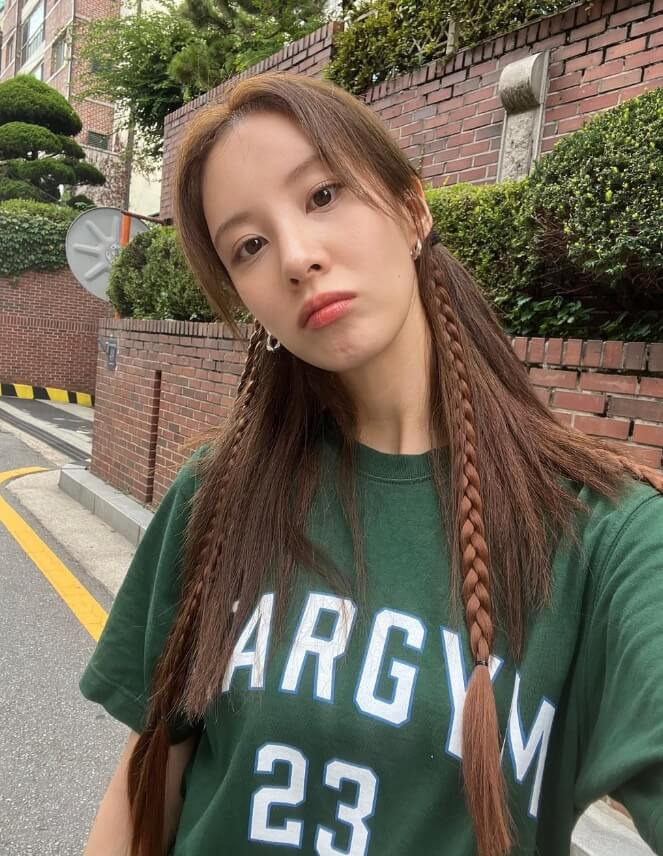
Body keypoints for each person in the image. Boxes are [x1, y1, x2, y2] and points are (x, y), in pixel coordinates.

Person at [80, 72, 663, 856]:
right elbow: (148, 785)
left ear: (412, 207)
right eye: (248, 246)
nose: (295, 257)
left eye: (323, 195)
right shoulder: (216, 497)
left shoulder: (607, 533)